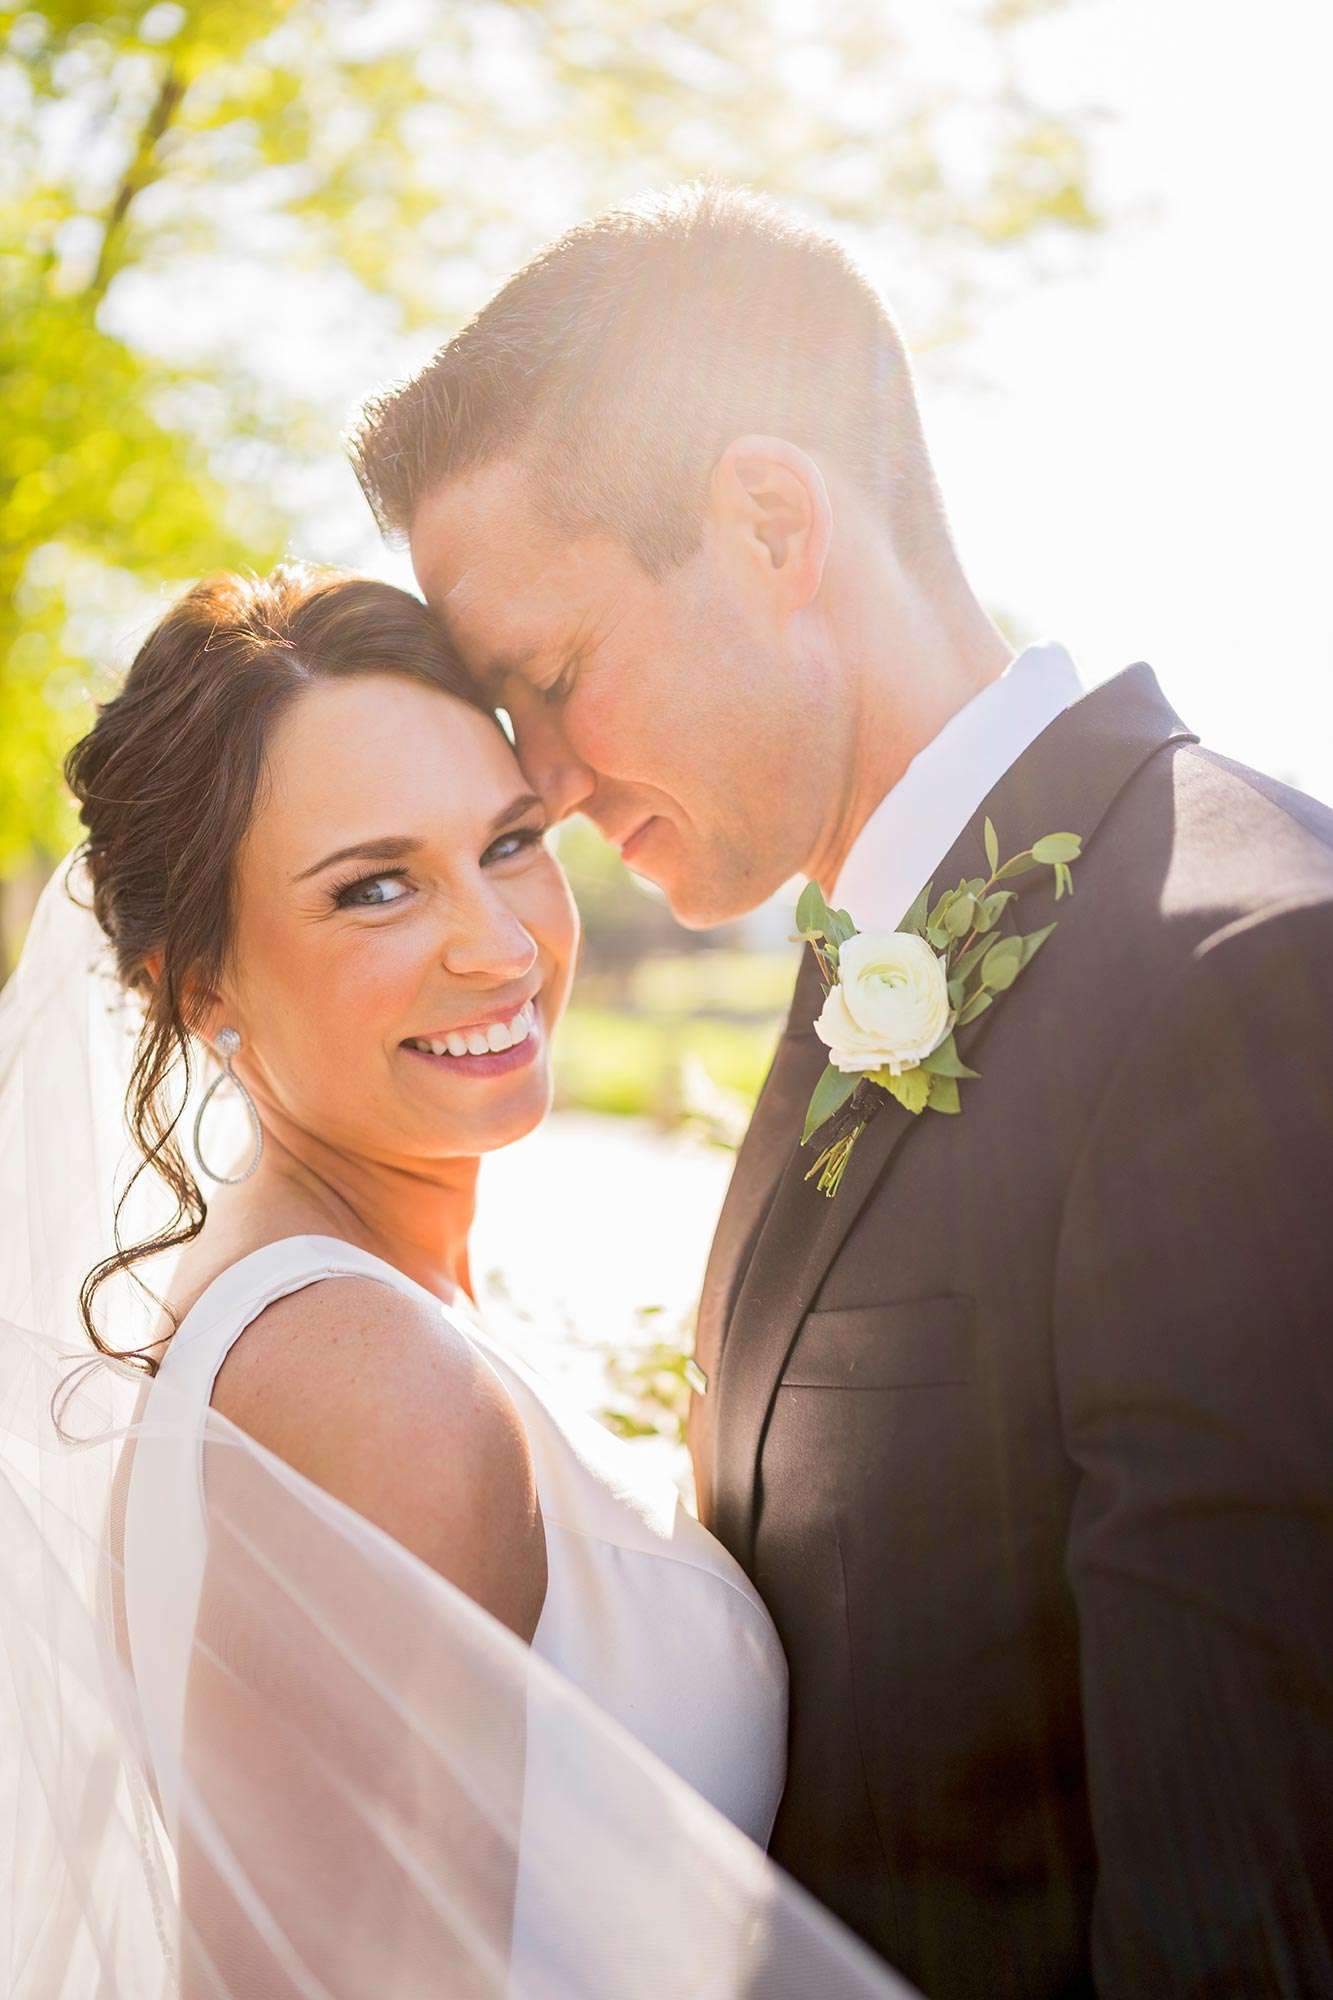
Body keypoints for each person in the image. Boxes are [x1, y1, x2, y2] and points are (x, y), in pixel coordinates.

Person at [350, 181, 1333, 1996]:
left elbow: (1245, 1907)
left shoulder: (1246, 975)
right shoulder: (852, 974)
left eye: (551, 678)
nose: (541, 785)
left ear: (770, 523)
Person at [0, 564, 913, 1999]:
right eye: (375, 888)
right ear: (194, 983)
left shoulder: (341, 1312)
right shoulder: (373, 1383)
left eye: (509, 843)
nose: (498, 944)